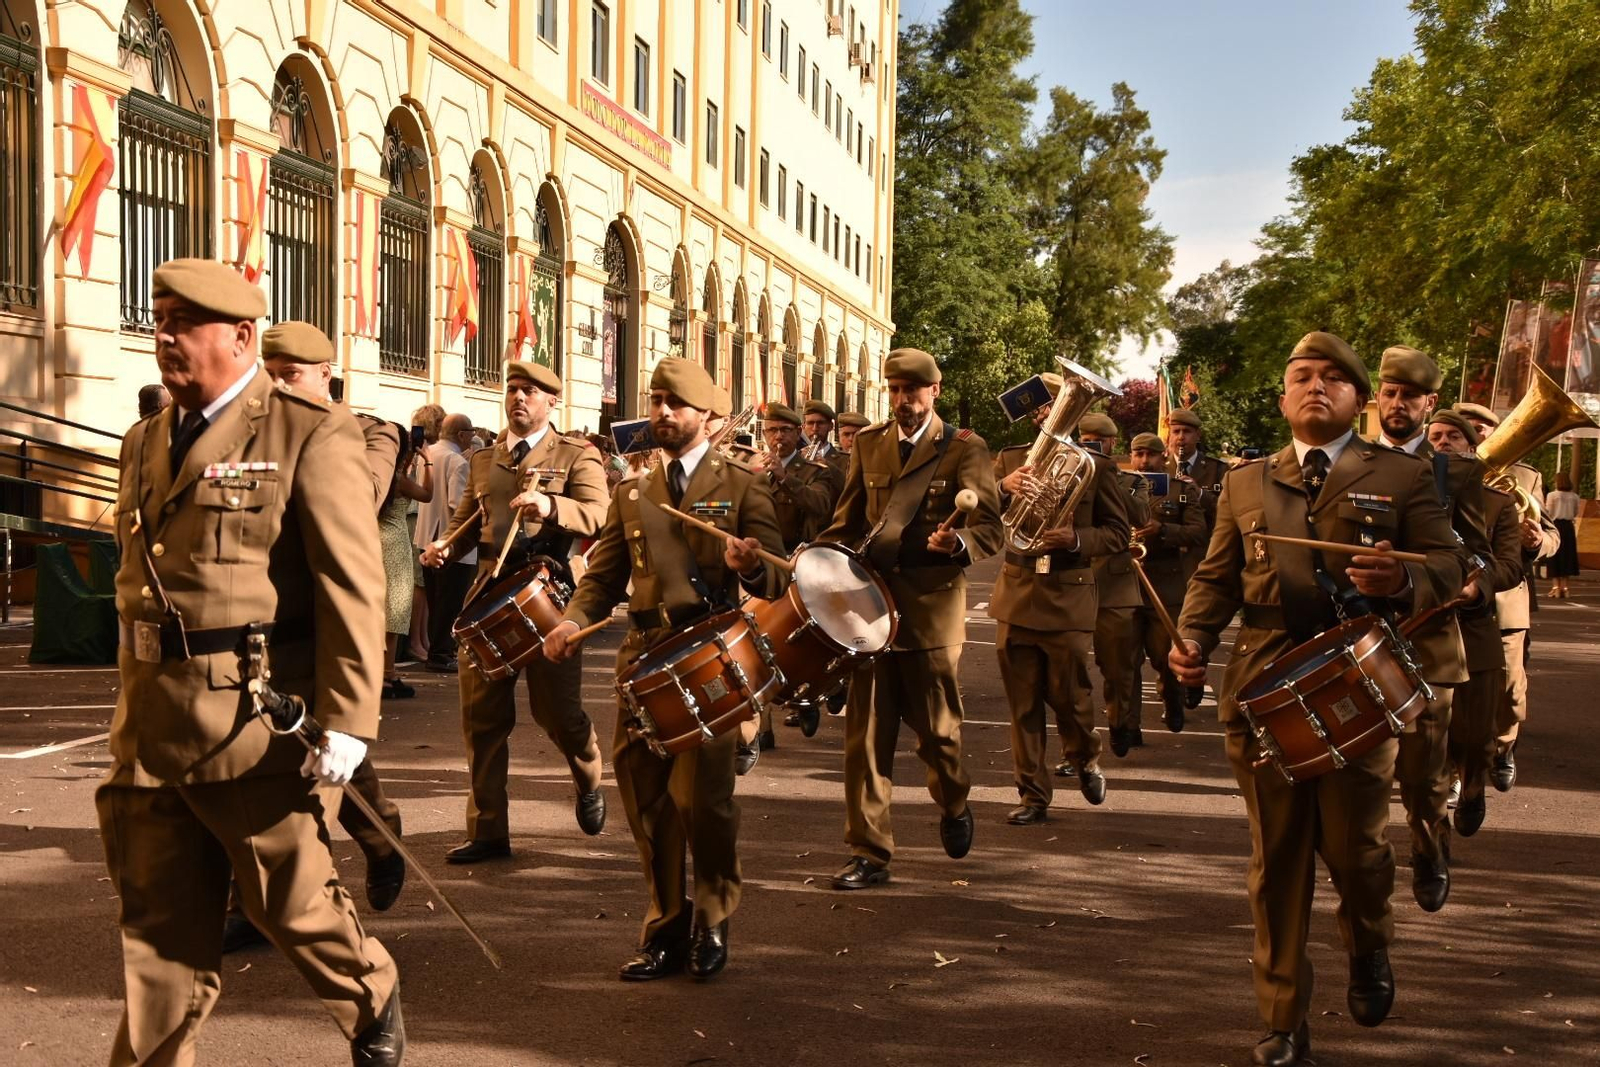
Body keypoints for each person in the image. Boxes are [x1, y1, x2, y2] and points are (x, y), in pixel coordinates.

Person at [100, 259, 403, 1064]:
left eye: (184, 324)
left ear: (239, 336)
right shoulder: (144, 438)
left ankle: (370, 993)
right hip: (153, 726)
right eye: (159, 319)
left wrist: (348, 717)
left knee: (290, 905)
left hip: (252, 718)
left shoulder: (308, 429)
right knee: (159, 942)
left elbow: (351, 581)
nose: (164, 336)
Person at [1171, 331, 1464, 1067]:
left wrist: (1399, 581)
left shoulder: (1400, 477)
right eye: (1301, 375)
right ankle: (1282, 1017)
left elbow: (1448, 563)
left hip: (1356, 685)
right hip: (1265, 687)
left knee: (1358, 852)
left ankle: (1370, 943)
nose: (1316, 387)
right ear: (1283, 395)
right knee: (1278, 860)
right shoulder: (1245, 481)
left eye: (1334, 379)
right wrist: (1193, 639)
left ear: (1359, 400)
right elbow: (1215, 577)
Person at [544, 357, 786, 981]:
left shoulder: (742, 485)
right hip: (641, 659)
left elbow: (776, 576)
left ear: (705, 412)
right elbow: (602, 579)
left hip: (709, 659)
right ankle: (664, 929)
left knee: (703, 803)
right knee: (646, 801)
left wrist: (750, 566)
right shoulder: (633, 491)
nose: (661, 415)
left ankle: (712, 916)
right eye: (655, 402)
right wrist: (571, 621)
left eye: (674, 404)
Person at [814, 348, 1004, 889]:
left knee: (939, 737)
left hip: (930, 612)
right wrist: (817, 566)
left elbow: (993, 528)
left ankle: (954, 801)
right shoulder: (870, 443)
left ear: (935, 391)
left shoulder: (966, 449)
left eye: (912, 392)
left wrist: (959, 541)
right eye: (894, 391)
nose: (902, 402)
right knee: (866, 739)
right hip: (871, 612)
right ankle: (869, 850)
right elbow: (848, 521)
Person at [421, 361, 612, 862]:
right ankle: (487, 830)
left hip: (550, 599)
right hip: (491, 598)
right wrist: (443, 544)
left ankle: (588, 772)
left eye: (530, 392)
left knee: (558, 716)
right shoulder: (485, 459)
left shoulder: (576, 455)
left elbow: (600, 514)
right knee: (481, 720)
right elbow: (466, 519)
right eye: (513, 390)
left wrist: (553, 508)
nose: (518, 398)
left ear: (553, 403)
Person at [252, 320, 411, 919]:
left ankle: (323, 921)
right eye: (268, 376)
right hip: (258, 640)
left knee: (308, 779)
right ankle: (379, 835)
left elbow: (363, 498)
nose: (276, 389)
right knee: (292, 766)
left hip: (322, 635)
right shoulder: (250, 432)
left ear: (326, 374)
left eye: (290, 376)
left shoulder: (367, 433)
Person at [1371, 346, 1492, 913]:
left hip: (1430, 639)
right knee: (1363, 771)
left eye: (1410, 397)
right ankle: (1364, 873)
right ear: (1376, 397)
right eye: (1390, 393)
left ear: (1429, 403)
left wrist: (1468, 582)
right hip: (1361, 638)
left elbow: (1483, 555)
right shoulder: (1350, 461)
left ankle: (1428, 847)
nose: (1398, 405)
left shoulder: (1460, 472)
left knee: (1422, 772)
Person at [989, 374, 1130, 823]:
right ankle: (1032, 795)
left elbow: (1118, 533)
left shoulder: (1097, 467)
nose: (1046, 413)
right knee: (1023, 702)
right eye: (1042, 406)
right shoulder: (1010, 459)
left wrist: (1074, 540)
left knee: (1069, 696)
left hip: (1068, 595)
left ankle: (1085, 755)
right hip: (1016, 590)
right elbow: (981, 516)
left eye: (1058, 405)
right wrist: (1001, 489)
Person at [1424, 409, 1522, 836]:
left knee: (1476, 731)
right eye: (1435, 436)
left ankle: (1474, 786)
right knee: (1427, 741)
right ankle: (1432, 835)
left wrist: (1477, 588)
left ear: (1471, 446)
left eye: (1452, 437)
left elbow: (1510, 567)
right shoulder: (1411, 497)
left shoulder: (1499, 503)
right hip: (1421, 630)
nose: (1442, 443)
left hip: (1474, 625)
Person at [1454, 401, 1557, 787]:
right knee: (1456, 690)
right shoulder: (1436, 473)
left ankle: (1504, 746)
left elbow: (1551, 535)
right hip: (1455, 598)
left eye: (1482, 428)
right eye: (1467, 426)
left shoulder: (1525, 478)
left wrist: (1537, 542)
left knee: (1509, 692)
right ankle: (1457, 772)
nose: (1475, 433)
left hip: (1507, 600)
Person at [751, 402, 845, 747]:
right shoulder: (752, 470)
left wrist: (784, 477)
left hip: (800, 567)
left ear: (798, 434)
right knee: (758, 643)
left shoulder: (816, 470)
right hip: (762, 567)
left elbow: (820, 505)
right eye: (772, 430)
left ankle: (806, 698)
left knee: (799, 643)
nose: (778, 437)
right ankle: (762, 728)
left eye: (786, 430)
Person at [1078, 412, 1151, 755]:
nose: (1090, 447)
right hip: (1072, 581)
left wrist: (1103, 477)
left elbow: (1140, 516)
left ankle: (1121, 722)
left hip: (1116, 586)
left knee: (1118, 665)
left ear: (1111, 444)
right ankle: (1076, 742)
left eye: (1098, 442)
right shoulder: (1066, 474)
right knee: (1068, 671)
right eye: (1085, 440)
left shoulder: (1133, 481)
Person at [1126, 431, 1209, 733]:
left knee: (1165, 659)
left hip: (1166, 587)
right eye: (1138, 454)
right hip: (1126, 586)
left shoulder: (1179, 489)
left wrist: (1161, 529)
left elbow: (1198, 532)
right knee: (1126, 663)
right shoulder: (1116, 486)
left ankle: (1173, 703)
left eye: (1150, 454)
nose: (1144, 461)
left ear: (1163, 457)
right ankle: (1128, 726)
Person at [416, 414, 477, 672]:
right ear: (462, 435)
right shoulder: (457, 461)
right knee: (451, 602)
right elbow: (458, 505)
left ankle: (436, 650)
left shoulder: (428, 454)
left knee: (435, 599)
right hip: (450, 542)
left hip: (425, 536)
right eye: (470, 434)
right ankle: (441, 653)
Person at [1164, 407, 1229, 531]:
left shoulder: (1218, 469)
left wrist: (1200, 494)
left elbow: (1228, 510)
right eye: (1176, 432)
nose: (1181, 437)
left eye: (1187, 431)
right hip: (1170, 544)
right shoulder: (1160, 468)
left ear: (1198, 435)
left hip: (1205, 544)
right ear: (1169, 435)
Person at [1545, 472, 1581, 597]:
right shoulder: (1574, 496)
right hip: (1568, 527)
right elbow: (1576, 512)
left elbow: (1548, 512)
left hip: (1555, 525)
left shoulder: (1552, 495)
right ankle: (1565, 588)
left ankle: (1555, 587)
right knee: (1567, 556)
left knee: (1554, 555)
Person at [803, 399, 850, 476]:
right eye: (810, 423)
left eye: (820, 423)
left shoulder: (845, 460)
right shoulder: (797, 456)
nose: (815, 428)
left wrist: (828, 465)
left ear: (831, 426)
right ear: (804, 426)